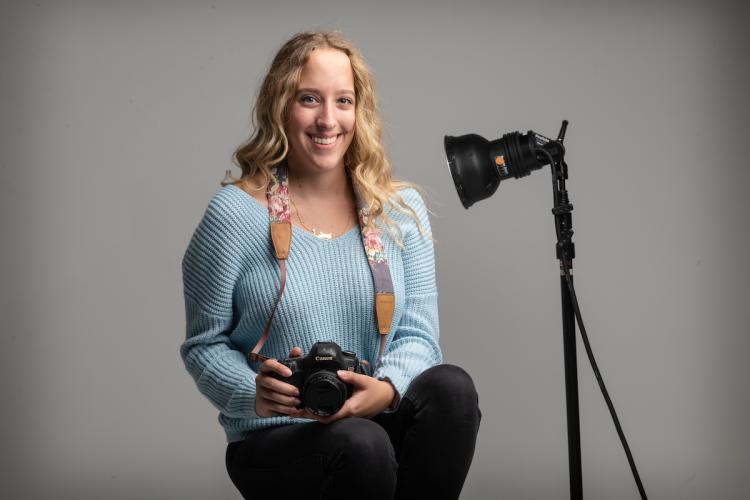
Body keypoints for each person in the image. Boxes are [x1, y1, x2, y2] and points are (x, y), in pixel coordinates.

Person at [180, 31, 481, 500]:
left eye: (343, 101)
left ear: (359, 113)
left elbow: (420, 339)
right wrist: (253, 392)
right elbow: (203, 346)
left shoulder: (398, 211)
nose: (327, 119)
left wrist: (385, 391)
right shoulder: (235, 214)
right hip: (276, 437)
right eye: (308, 99)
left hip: (375, 418)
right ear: (281, 106)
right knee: (362, 444)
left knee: (452, 390)